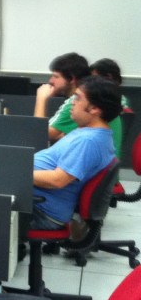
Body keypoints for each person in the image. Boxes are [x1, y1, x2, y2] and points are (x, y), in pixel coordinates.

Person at [30, 75, 119, 230]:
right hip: (38, 201)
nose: (72, 102)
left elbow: (57, 180)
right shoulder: (91, 131)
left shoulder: (88, 141)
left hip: (42, 211)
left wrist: (16, 174)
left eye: (77, 98)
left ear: (94, 109)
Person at [33, 52, 90, 143]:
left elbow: (39, 133)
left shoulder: (76, 102)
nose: (51, 81)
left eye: (56, 77)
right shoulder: (86, 97)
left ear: (72, 79)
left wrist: (41, 98)